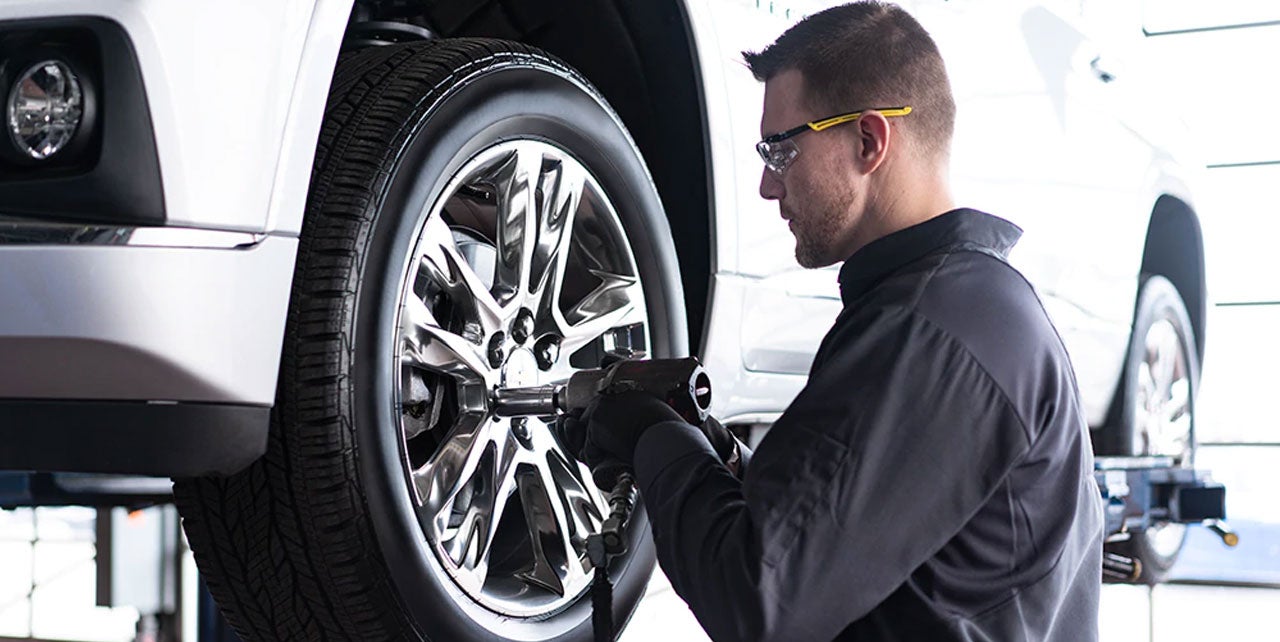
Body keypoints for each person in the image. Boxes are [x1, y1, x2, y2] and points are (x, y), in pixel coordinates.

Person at [563, 2, 1104, 640]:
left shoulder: (929, 330)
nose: (768, 187)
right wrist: (724, 466)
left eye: (780, 152)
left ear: (870, 141)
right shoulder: (963, 309)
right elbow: (851, 551)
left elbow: (758, 598)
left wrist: (652, 437)